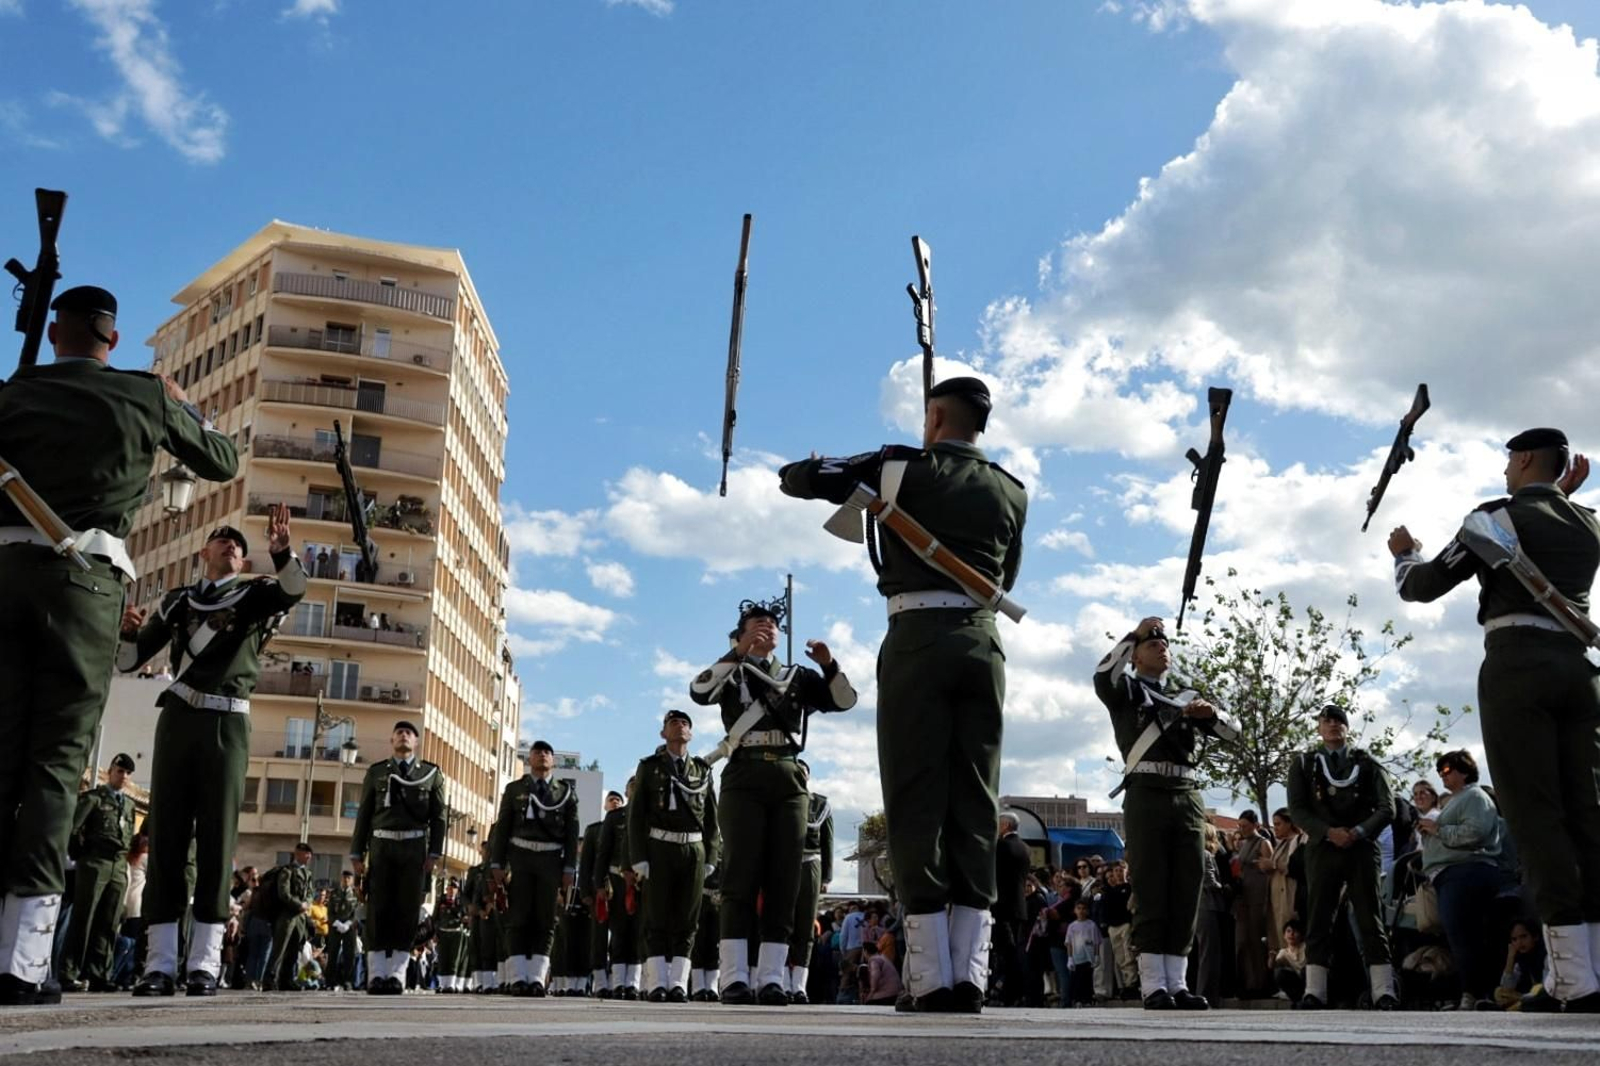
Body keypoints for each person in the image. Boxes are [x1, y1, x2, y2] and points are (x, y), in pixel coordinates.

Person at [0, 285, 239, 1005]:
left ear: (50, 333)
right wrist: (176, 395)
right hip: (84, 585)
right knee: (54, 762)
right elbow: (222, 459)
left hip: (4, 574)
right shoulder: (144, 396)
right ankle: (22, 960)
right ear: (113, 339)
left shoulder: (11, 395)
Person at [778, 376, 1026, 1014]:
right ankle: (971, 974)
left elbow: (797, 478)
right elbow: (1006, 575)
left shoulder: (897, 465)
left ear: (935, 416)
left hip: (916, 638)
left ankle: (930, 978)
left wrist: (813, 465)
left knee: (916, 799)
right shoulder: (1010, 490)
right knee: (975, 799)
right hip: (982, 642)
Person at [1389, 428, 1600, 1011]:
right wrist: (1562, 495)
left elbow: (1423, 586)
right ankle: (1592, 967)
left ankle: (1574, 980)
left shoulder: (1494, 518)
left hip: (1517, 667)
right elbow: (1558, 521)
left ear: (1525, 457)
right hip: (1579, 670)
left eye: (1510, 460)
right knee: (1588, 813)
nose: (1506, 469)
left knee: (1537, 819)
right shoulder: (1588, 522)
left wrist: (1404, 554)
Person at [118, 511, 306, 996]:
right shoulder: (178, 601)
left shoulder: (254, 594)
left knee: (217, 841)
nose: (230, 547)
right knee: (166, 839)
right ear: (204, 552)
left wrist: (282, 549)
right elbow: (129, 660)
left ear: (244, 559)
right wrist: (124, 631)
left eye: (238, 546)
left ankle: (203, 963)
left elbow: (293, 590)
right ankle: (158, 964)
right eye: (221, 540)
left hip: (227, 721)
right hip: (178, 719)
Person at [688, 599, 856, 1005]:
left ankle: (772, 978)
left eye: (772, 625)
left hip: (788, 773)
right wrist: (738, 653)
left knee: (784, 879)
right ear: (741, 633)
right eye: (756, 625)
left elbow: (844, 701)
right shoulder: (734, 670)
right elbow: (699, 691)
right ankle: (733, 977)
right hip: (744, 773)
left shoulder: (797, 675)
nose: (766, 629)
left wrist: (828, 664)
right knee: (740, 877)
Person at [1094, 617, 1240, 1010]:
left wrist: (1210, 715)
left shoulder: (1187, 696)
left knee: (1187, 886)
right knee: (1151, 884)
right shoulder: (1126, 689)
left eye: (1163, 644)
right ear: (1136, 656)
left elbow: (1233, 731)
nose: (1161, 648)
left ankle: (1177, 983)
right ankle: (1153, 983)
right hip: (1145, 792)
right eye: (1151, 644)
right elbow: (1102, 674)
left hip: (1186, 794)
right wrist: (1132, 632)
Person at [1286, 704, 1398, 1010]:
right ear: (1319, 729)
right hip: (1323, 848)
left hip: (1360, 848)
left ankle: (1383, 991)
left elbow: (1388, 808)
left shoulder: (1368, 764)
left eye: (1339, 721)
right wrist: (1328, 832)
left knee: (1369, 917)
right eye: (1327, 721)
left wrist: (1359, 831)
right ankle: (1314, 991)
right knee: (1319, 917)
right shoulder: (1305, 764)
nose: (1333, 725)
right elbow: (1297, 808)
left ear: (1348, 728)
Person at [628, 709, 721, 1002]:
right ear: (663, 733)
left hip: (693, 849)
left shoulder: (702, 770)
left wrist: (711, 857)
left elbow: (711, 818)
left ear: (690, 734)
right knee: (657, 916)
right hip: (659, 847)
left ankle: (679, 982)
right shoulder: (650, 766)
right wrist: (638, 856)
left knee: (687, 919)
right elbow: (636, 815)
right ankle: (657, 982)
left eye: (684, 723)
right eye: (673, 723)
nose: (679, 726)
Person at [350, 721, 447, 995]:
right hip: (382, 845)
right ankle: (377, 973)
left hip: (414, 848)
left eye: (409, 733)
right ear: (391, 740)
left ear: (416, 742)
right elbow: (364, 814)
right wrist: (357, 853)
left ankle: (397, 974)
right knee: (378, 910)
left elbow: (439, 818)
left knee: (406, 912)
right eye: (399, 733)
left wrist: (434, 853)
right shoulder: (377, 772)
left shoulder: (431, 774)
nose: (404, 736)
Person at [490, 739, 578, 996]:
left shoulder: (565, 792)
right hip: (520, 857)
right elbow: (503, 828)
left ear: (554, 760)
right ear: (529, 759)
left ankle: (537, 977)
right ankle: (519, 976)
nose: (542, 755)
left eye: (547, 752)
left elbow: (572, 834)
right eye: (537, 752)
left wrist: (570, 869)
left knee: (545, 920)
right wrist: (497, 862)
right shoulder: (515, 788)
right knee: (518, 918)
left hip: (551, 860)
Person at [1418, 750, 1503, 1011]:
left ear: (1463, 771)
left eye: (1447, 770)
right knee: (1460, 936)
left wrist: (1437, 829)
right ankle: (1472, 992)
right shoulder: (1456, 801)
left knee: (1466, 935)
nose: (1442, 775)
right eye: (1439, 771)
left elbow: (1474, 832)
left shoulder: (1474, 796)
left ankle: (1477, 993)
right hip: (1451, 875)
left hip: (1466, 872)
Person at [59, 754, 137, 993]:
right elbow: (73, 830)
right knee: (84, 918)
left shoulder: (130, 805)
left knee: (109, 921)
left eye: (126, 773)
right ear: (110, 772)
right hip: (95, 862)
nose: (122, 777)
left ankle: (99, 973)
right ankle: (68, 972)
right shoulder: (93, 799)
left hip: (117, 865)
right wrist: (82, 855)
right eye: (119, 771)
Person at [788, 761, 833, 1003]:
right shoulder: (781, 801)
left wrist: (826, 876)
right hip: (784, 863)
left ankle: (799, 985)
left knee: (805, 926)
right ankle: (782, 981)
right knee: (783, 923)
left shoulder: (820, 803)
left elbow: (827, 841)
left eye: (803, 772)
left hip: (810, 864)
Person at [593, 777, 642, 999]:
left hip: (643, 881)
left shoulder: (650, 815)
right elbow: (603, 853)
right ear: (627, 791)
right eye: (633, 787)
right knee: (620, 932)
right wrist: (600, 884)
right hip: (618, 880)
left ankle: (633, 982)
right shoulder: (615, 818)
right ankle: (619, 982)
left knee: (639, 933)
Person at [577, 793, 619, 998]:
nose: (614, 802)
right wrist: (585, 891)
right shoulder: (594, 831)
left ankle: (617, 980)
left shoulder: (625, 826)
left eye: (618, 800)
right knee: (599, 937)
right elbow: (585, 864)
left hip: (620, 890)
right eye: (611, 799)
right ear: (604, 805)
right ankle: (600, 981)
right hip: (598, 891)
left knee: (620, 936)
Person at [991, 812, 1033, 1006]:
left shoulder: (1001, 846)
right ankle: (1017, 992)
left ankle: (1010, 993)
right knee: (1014, 950)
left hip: (1001, 906)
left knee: (1005, 952)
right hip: (1019, 907)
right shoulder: (1025, 848)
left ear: (1006, 825)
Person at [1233, 810, 1275, 996]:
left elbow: (1270, 869)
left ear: (1255, 825)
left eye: (1245, 826)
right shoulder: (1242, 844)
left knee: (1257, 940)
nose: (1242, 829)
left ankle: (1261, 983)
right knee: (1243, 941)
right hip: (1244, 897)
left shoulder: (1263, 843)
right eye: (1240, 826)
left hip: (1259, 896)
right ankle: (1247, 982)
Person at [1267, 808, 1306, 956]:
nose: (1275, 828)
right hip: (1276, 899)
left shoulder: (1297, 842)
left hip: (1289, 897)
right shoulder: (1281, 844)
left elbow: (1293, 868)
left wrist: (1273, 865)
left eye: (1278, 824)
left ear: (1289, 823)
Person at [432, 878, 470, 993]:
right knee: (443, 959)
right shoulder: (441, 901)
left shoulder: (461, 901)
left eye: (453, 888)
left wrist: (465, 918)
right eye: (449, 888)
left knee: (454, 959)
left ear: (457, 890)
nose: (451, 890)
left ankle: (451, 984)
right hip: (443, 932)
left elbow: (466, 915)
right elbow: (435, 918)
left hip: (456, 933)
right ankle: (443, 984)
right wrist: (434, 933)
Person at [325, 871, 361, 990]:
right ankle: (330, 981)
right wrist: (336, 922)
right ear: (341, 879)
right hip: (336, 926)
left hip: (349, 928)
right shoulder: (334, 893)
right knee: (333, 954)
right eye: (344, 878)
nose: (346, 880)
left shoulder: (355, 894)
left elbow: (357, 912)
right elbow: (329, 911)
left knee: (349, 955)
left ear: (351, 880)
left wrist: (348, 923)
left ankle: (348, 981)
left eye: (349, 878)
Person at [1064, 898, 1102, 1007]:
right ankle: (1077, 1000)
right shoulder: (1072, 926)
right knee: (1076, 980)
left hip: (1088, 958)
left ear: (1088, 911)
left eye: (1084, 909)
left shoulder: (1092, 925)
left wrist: (1097, 955)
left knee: (1087, 980)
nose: (1081, 911)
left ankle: (1088, 1000)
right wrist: (1070, 958)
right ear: (1075, 910)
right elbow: (1069, 943)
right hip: (1076, 958)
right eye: (1078, 908)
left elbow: (1096, 942)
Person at [860, 939, 903, 1006]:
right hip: (896, 991)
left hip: (887, 994)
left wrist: (871, 992)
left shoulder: (874, 960)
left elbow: (875, 975)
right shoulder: (882, 957)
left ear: (865, 951)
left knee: (868, 1002)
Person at [1272, 919, 1308, 1001]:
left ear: (1301, 935)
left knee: (1305, 970)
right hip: (1297, 983)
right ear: (1284, 935)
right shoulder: (1284, 952)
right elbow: (1273, 965)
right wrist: (1271, 958)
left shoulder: (1306, 947)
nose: (1291, 934)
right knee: (1279, 973)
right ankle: (1297, 999)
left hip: (1308, 980)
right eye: (1288, 931)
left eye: (1295, 932)